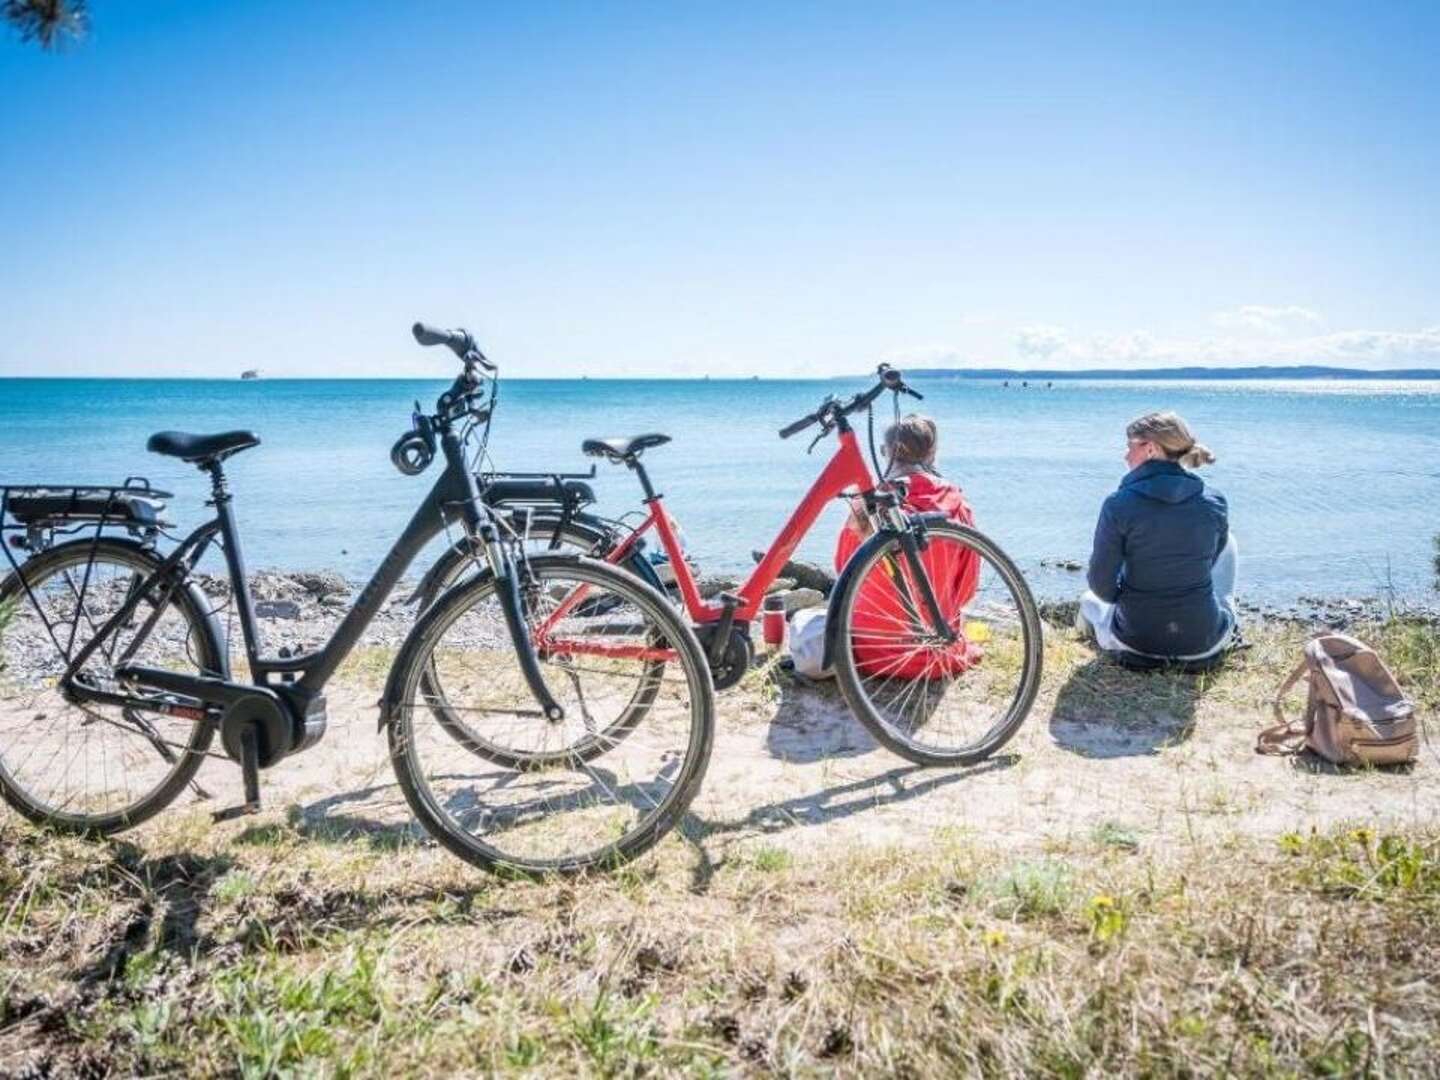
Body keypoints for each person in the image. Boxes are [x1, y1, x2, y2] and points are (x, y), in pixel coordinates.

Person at [1077, 411, 1238, 664]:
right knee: (1229, 544)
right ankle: (1211, 622)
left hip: (1136, 641)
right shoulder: (1214, 501)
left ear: (1150, 449)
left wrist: (1133, 594)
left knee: (1089, 600)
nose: (1125, 455)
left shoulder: (1118, 504)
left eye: (1130, 446)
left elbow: (1101, 586)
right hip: (1202, 643)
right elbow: (1212, 560)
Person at [830, 414, 981, 678]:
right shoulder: (958, 506)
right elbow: (966, 588)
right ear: (933, 453)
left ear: (885, 453)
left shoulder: (866, 507)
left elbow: (844, 570)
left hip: (869, 653)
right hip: (938, 655)